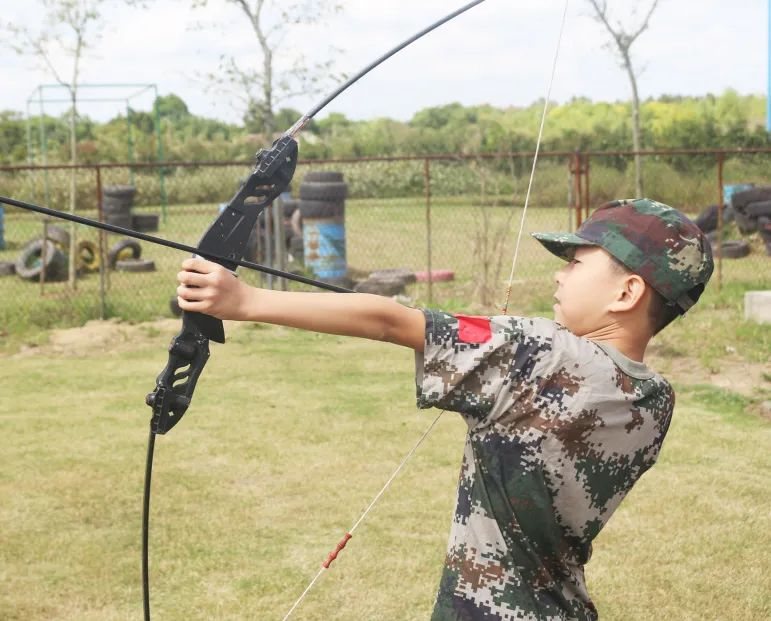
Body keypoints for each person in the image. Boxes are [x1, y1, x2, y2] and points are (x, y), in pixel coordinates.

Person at [176, 198, 713, 620]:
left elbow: (390, 321)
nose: (559, 274)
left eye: (575, 263)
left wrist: (245, 302)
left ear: (627, 292)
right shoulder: (657, 400)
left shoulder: (536, 354)